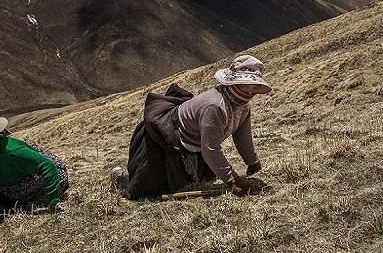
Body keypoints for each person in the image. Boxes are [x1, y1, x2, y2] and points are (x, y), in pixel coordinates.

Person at [112, 55, 271, 200]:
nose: (251, 90)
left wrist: (252, 161)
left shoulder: (242, 106)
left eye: (254, 85)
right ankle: (119, 180)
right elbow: (211, 148)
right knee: (146, 190)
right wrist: (232, 180)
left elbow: (242, 136)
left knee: (188, 181)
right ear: (233, 83)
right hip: (165, 138)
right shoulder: (215, 107)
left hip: (192, 145)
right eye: (246, 84)